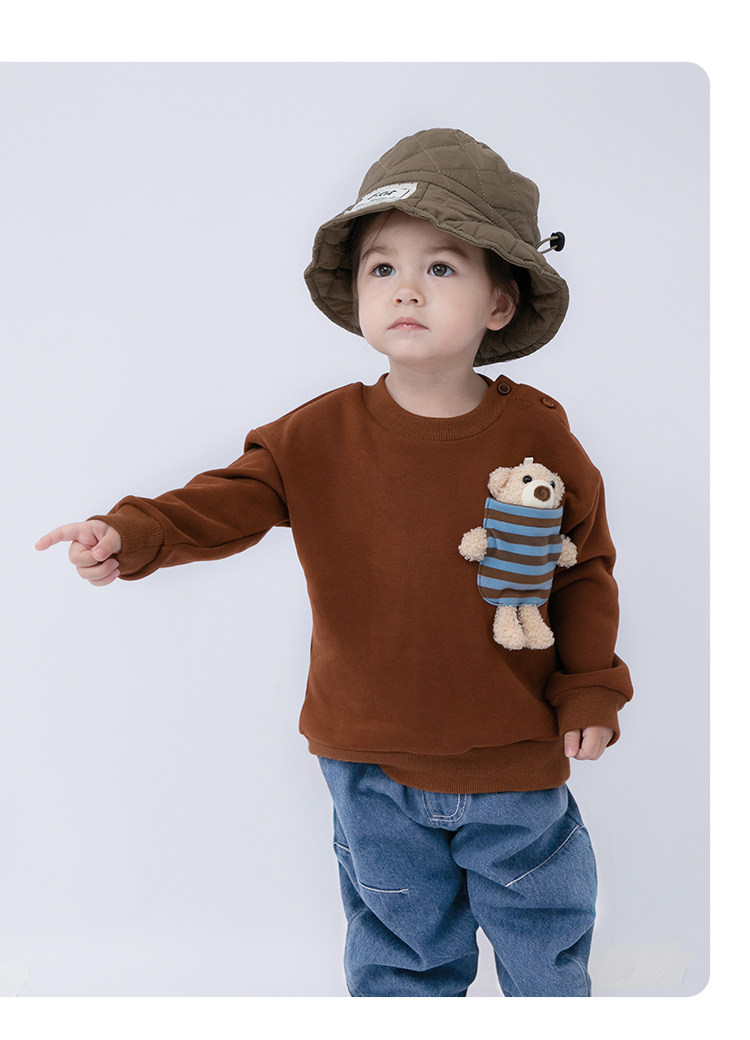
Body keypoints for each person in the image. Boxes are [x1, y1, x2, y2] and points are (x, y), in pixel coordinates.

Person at [36, 127, 633, 997]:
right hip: (369, 765)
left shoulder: (540, 435)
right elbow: (224, 501)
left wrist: (591, 691)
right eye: (382, 267)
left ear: (500, 304)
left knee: (546, 953)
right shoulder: (315, 436)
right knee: (400, 958)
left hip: (513, 758)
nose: (406, 289)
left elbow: (583, 571)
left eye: (441, 267)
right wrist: (128, 534)